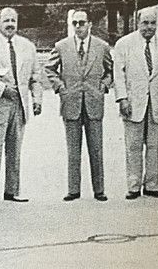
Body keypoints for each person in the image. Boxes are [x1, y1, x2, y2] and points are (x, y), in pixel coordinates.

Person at [44, 10, 113, 202]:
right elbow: (49, 69)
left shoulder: (102, 46)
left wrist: (103, 86)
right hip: (71, 102)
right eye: (74, 23)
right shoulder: (61, 46)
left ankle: (99, 190)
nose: (78, 26)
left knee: (96, 149)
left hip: (93, 102)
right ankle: (73, 190)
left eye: (82, 22)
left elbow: (111, 70)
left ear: (90, 24)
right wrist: (61, 88)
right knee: (73, 150)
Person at [114, 8, 158, 200]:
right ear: (137, 23)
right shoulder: (124, 44)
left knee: (154, 146)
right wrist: (122, 98)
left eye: (152, 23)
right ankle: (133, 186)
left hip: (156, 102)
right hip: (133, 102)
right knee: (133, 146)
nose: (149, 27)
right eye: (145, 23)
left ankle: (152, 185)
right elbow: (118, 74)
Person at [0, 7, 43, 203]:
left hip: (20, 105)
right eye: (6, 20)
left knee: (15, 149)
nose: (10, 24)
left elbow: (36, 76)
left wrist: (37, 99)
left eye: (13, 21)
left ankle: (12, 191)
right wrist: (2, 89)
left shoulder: (27, 46)